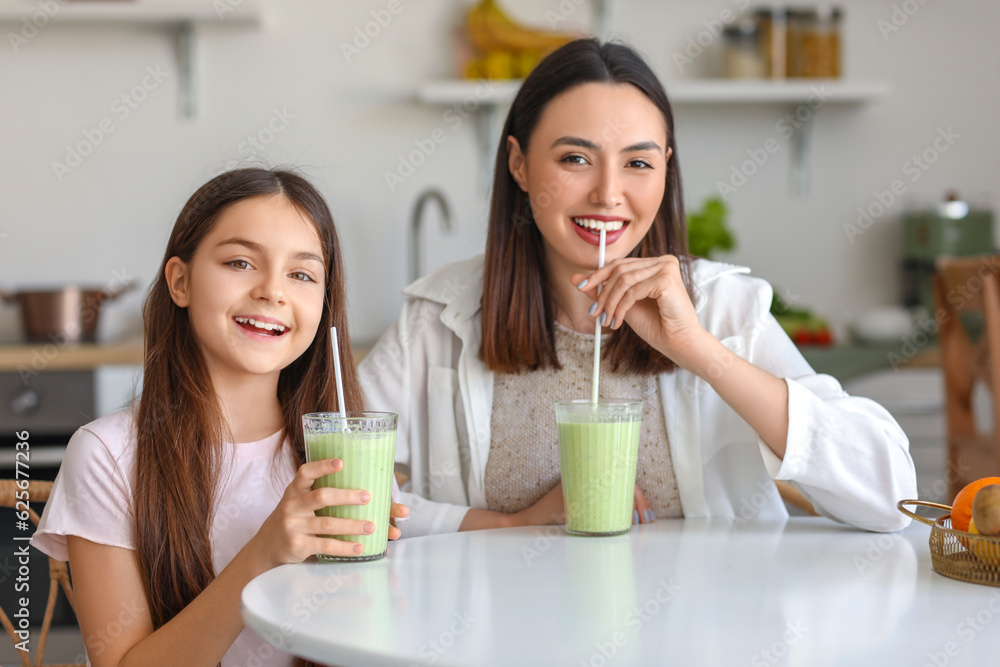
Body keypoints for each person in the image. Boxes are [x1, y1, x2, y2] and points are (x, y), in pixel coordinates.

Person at [360, 38, 916, 537]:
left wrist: (699, 351)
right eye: (575, 158)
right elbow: (328, 477)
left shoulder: (723, 310)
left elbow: (893, 498)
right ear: (519, 164)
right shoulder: (439, 317)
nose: (608, 193)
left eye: (638, 163)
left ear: (665, 170)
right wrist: (506, 523)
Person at [32, 168, 407, 667]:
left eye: (301, 274)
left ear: (323, 304)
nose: (273, 291)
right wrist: (263, 554)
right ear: (180, 282)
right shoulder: (109, 455)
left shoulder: (348, 449)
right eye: (240, 262)